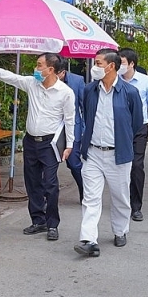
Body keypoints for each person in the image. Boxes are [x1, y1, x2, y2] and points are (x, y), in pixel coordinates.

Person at [0, 52, 74, 241]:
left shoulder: (65, 92)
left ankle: (52, 224)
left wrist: (69, 145)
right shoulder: (31, 84)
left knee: (51, 185)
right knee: (32, 182)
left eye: (39, 65)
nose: (36, 68)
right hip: (31, 141)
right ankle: (38, 220)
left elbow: (70, 120)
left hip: (50, 144)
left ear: (50, 69)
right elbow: (9, 76)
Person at [74, 48, 143, 257]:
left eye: (98, 63)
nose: (94, 68)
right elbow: (86, 116)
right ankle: (88, 239)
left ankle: (120, 230)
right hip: (93, 153)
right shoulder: (89, 90)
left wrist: (121, 140)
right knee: (91, 198)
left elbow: (136, 123)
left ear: (111, 66)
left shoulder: (130, 93)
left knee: (120, 196)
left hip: (118, 154)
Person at [118, 48, 148, 222]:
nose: (118, 66)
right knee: (119, 167)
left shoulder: (146, 82)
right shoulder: (113, 80)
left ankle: (136, 206)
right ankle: (121, 202)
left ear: (131, 64)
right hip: (118, 128)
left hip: (139, 128)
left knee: (136, 166)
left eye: (121, 63)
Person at [56, 61, 86, 202]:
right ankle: (46, 197)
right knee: (48, 165)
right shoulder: (44, 81)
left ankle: (84, 190)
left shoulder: (77, 80)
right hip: (53, 129)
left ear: (62, 72)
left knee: (73, 163)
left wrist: (84, 129)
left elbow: (84, 106)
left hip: (73, 128)